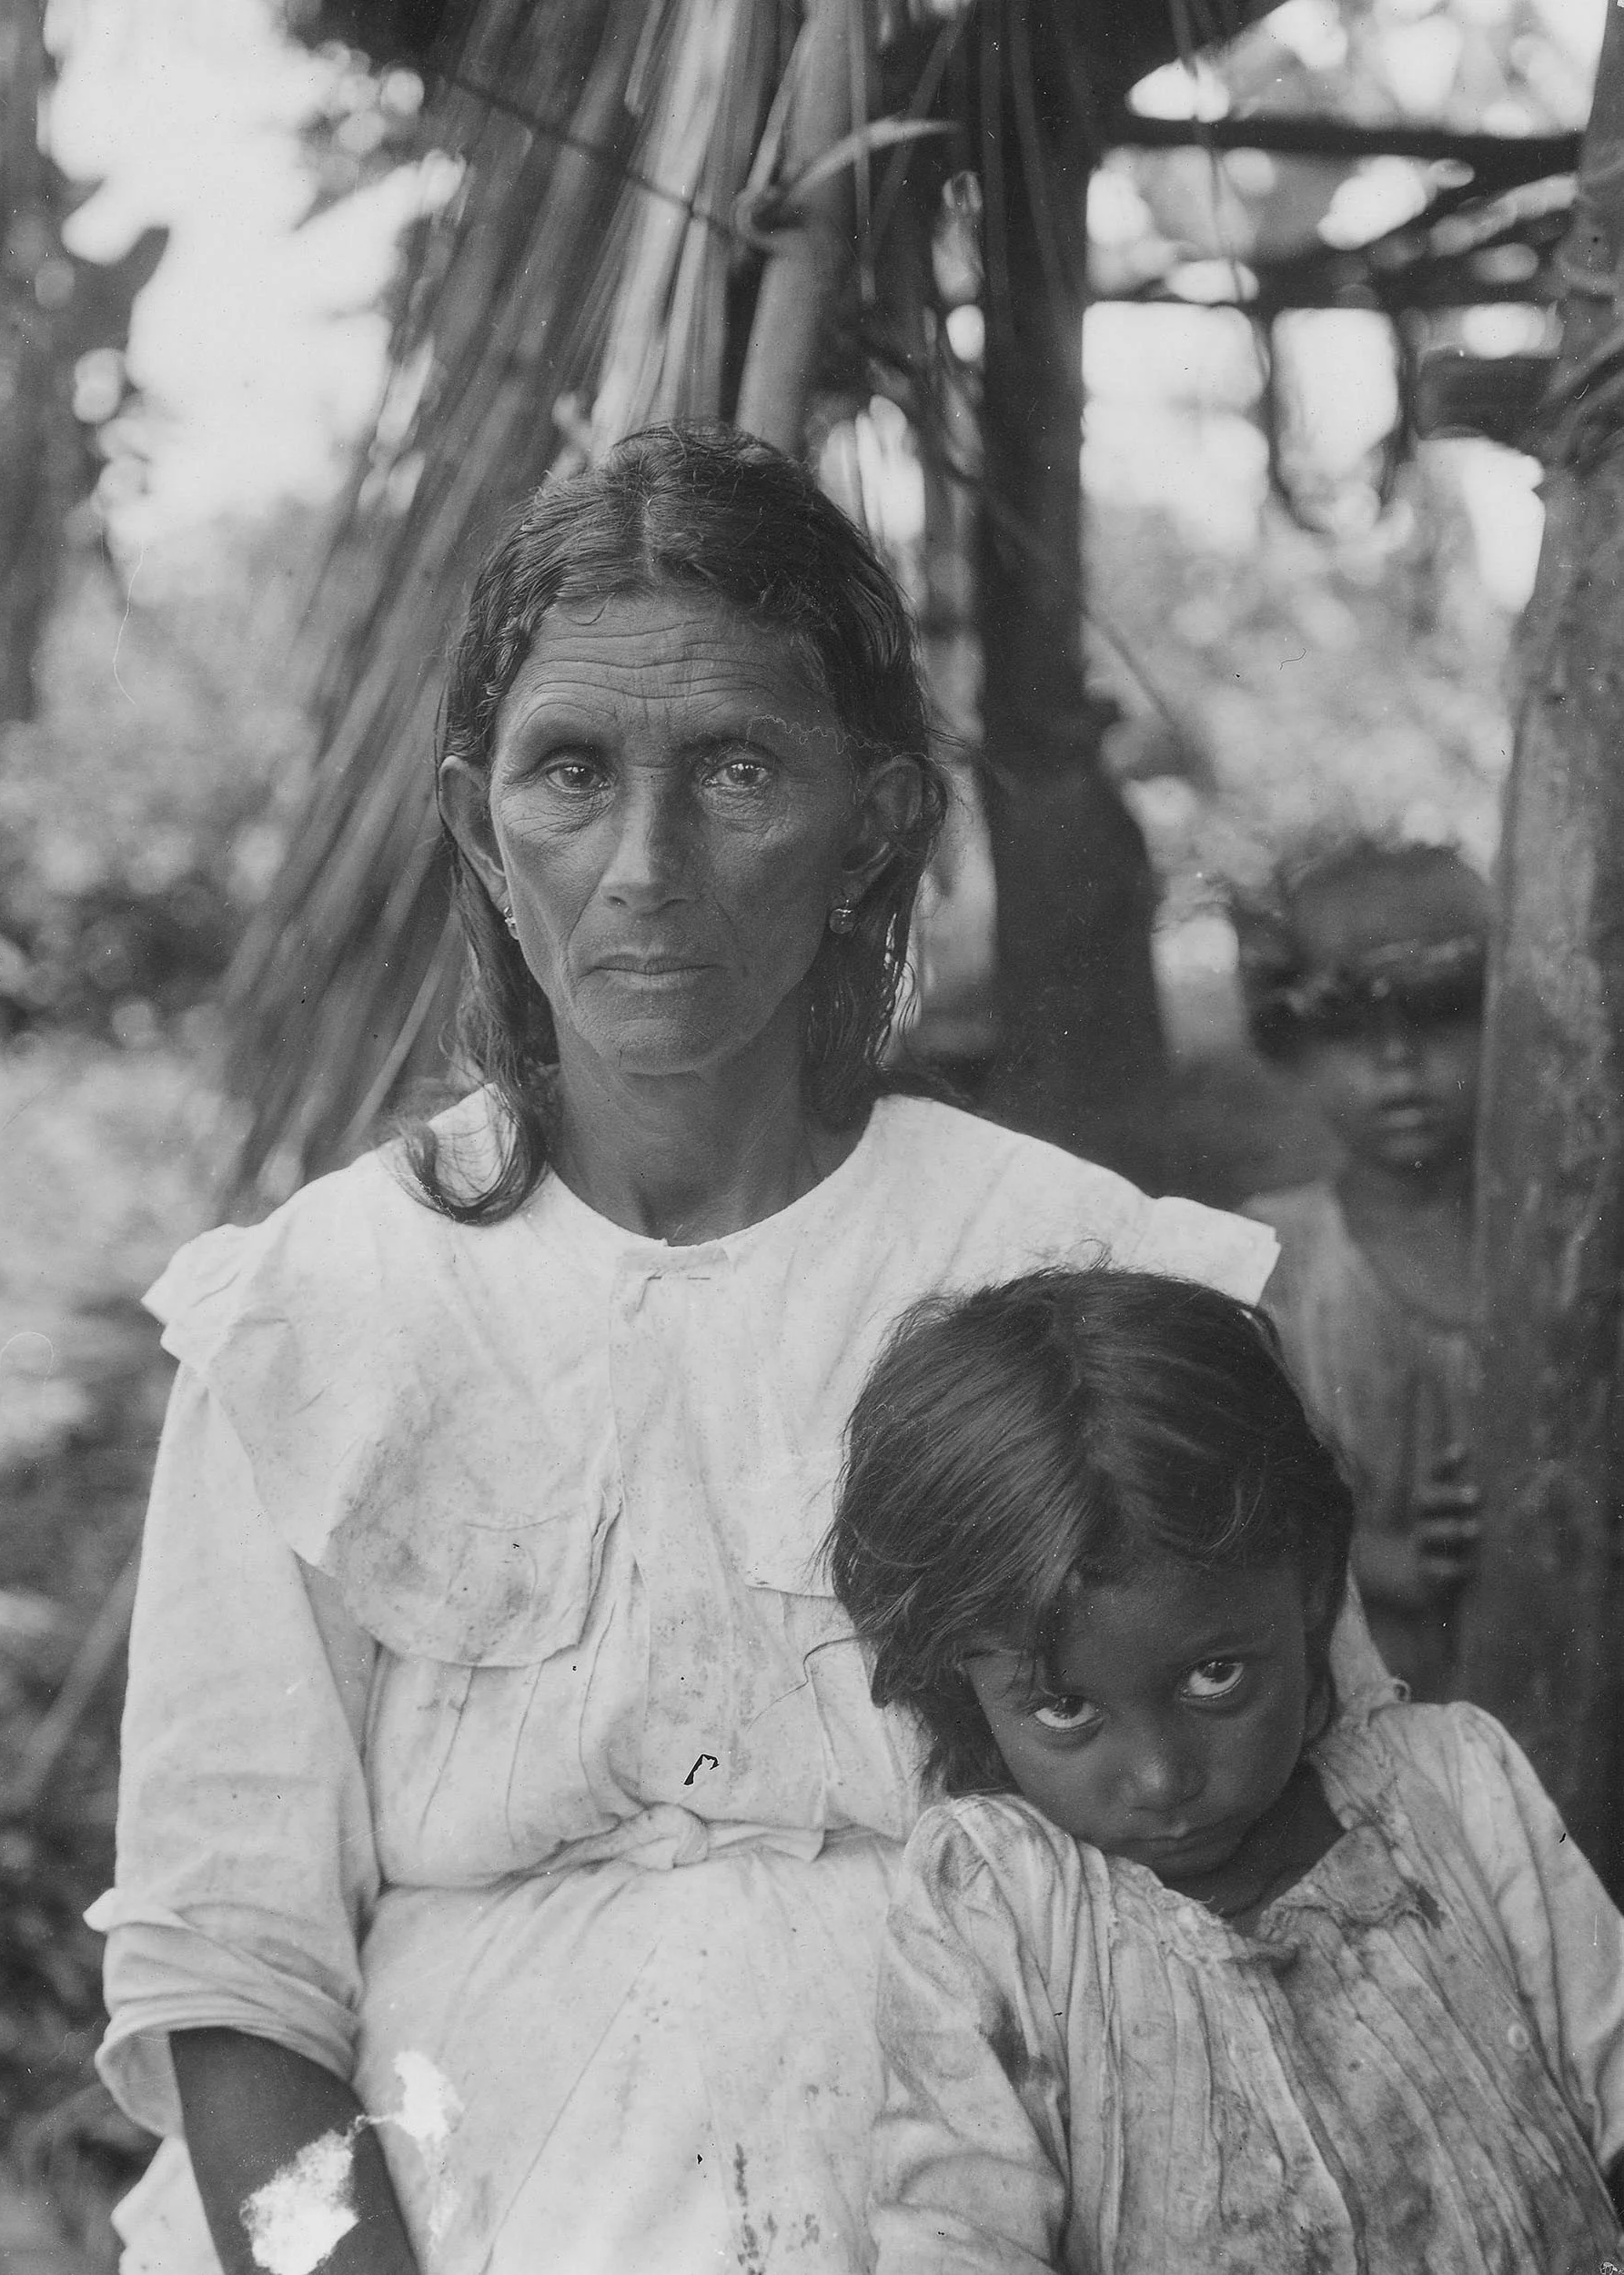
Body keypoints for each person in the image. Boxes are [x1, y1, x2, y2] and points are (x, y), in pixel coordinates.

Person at [88, 426, 1282, 2275]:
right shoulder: (317, 1313)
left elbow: (1292, 1838)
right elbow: (232, 1976)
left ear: (876, 816)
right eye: (572, 772)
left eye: (736, 767)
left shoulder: (1072, 1268)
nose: (646, 864)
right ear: (486, 828)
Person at [830, 1266, 1624, 2274]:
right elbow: (955, 2239)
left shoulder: (1461, 1788)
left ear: (1308, 1588)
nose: (1161, 1777)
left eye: (1215, 1676)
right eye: (1067, 1708)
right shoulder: (997, 1906)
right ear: (963, 1686)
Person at [1236, 839, 1487, 1700]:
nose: (1398, 1063)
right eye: (1350, 1033)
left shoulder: (1574, 1243)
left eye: (1442, 1018)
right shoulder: (1275, 1264)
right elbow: (1256, 1504)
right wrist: (1397, 1562)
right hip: (1384, 1690)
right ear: (1292, 1050)